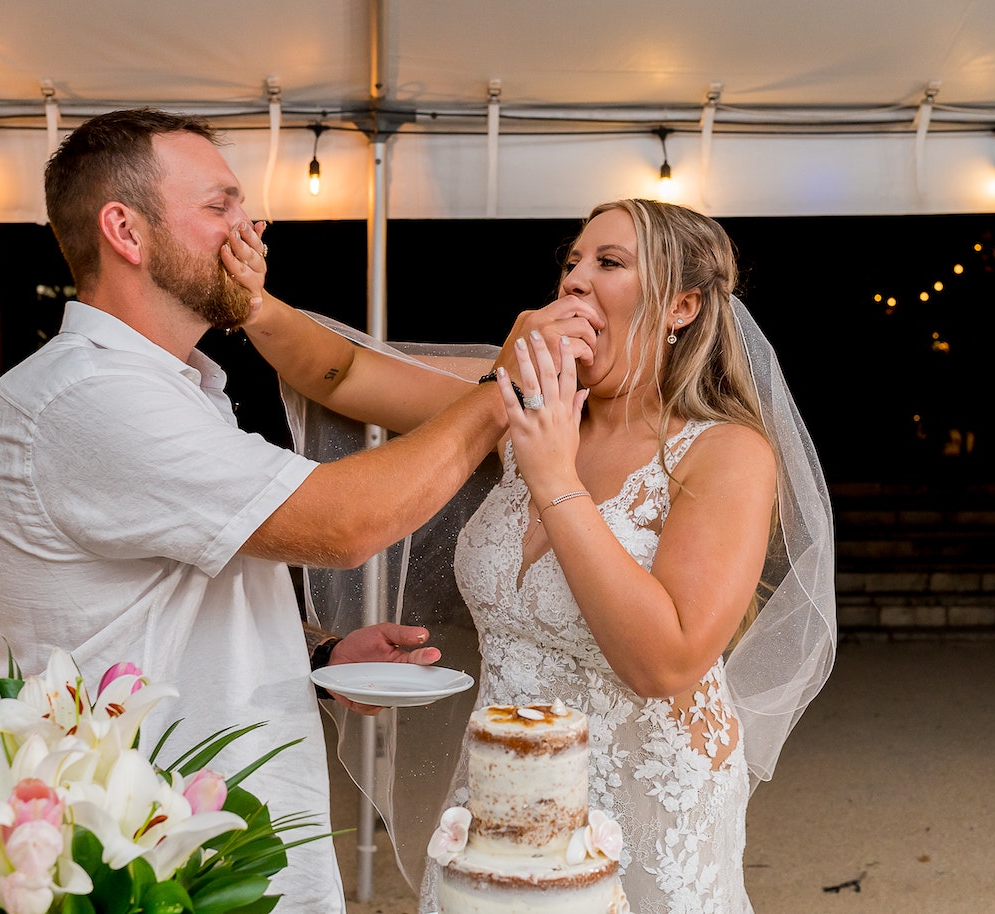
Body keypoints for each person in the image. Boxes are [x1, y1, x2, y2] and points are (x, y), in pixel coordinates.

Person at [0, 107, 537, 914]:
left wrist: (321, 657)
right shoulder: (88, 394)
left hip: (216, 838)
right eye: (220, 206)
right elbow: (342, 525)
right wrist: (502, 397)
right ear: (126, 232)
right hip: (149, 865)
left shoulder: (176, 385)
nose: (252, 224)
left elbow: (172, 602)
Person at [242, 198, 837, 913]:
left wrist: (556, 479)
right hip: (502, 791)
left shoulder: (725, 453)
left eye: (609, 263)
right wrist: (248, 300)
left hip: (645, 808)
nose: (574, 282)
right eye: (571, 263)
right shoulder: (518, 403)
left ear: (681, 306)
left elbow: (666, 661)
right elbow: (341, 373)